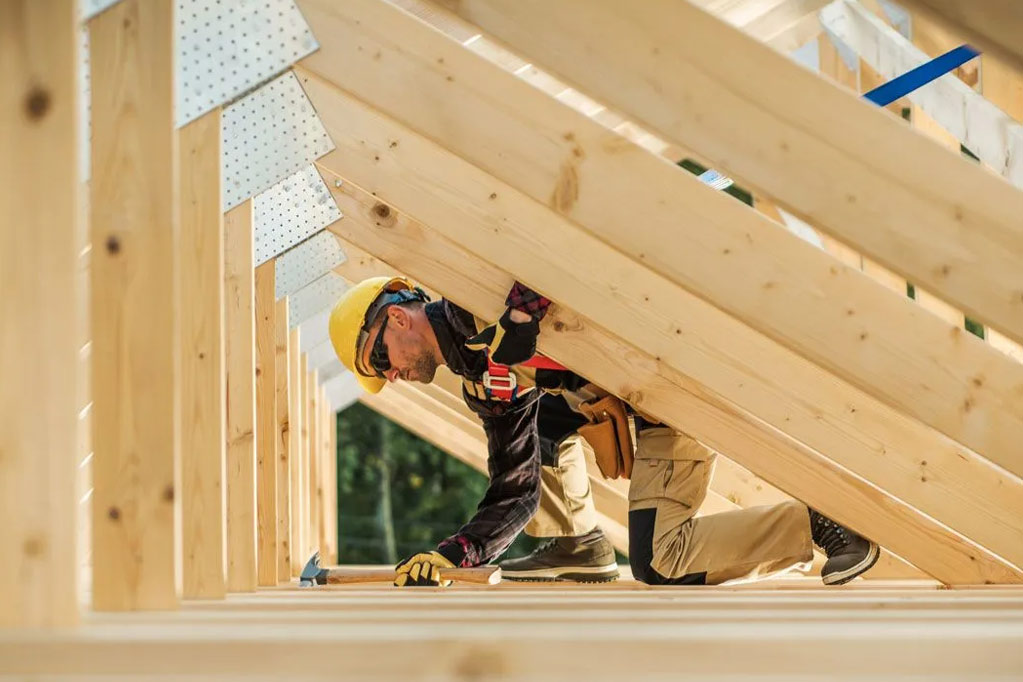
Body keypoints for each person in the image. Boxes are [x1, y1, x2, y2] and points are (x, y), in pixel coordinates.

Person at [328, 276, 879, 587]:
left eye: (380, 362)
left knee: (659, 563)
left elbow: (552, 224)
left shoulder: (475, 280)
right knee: (539, 419)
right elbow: (515, 488)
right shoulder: (482, 379)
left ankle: (817, 526)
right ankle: (579, 542)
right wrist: (456, 555)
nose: (393, 376)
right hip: (639, 412)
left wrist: (523, 313)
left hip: (670, 390)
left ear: (396, 319)